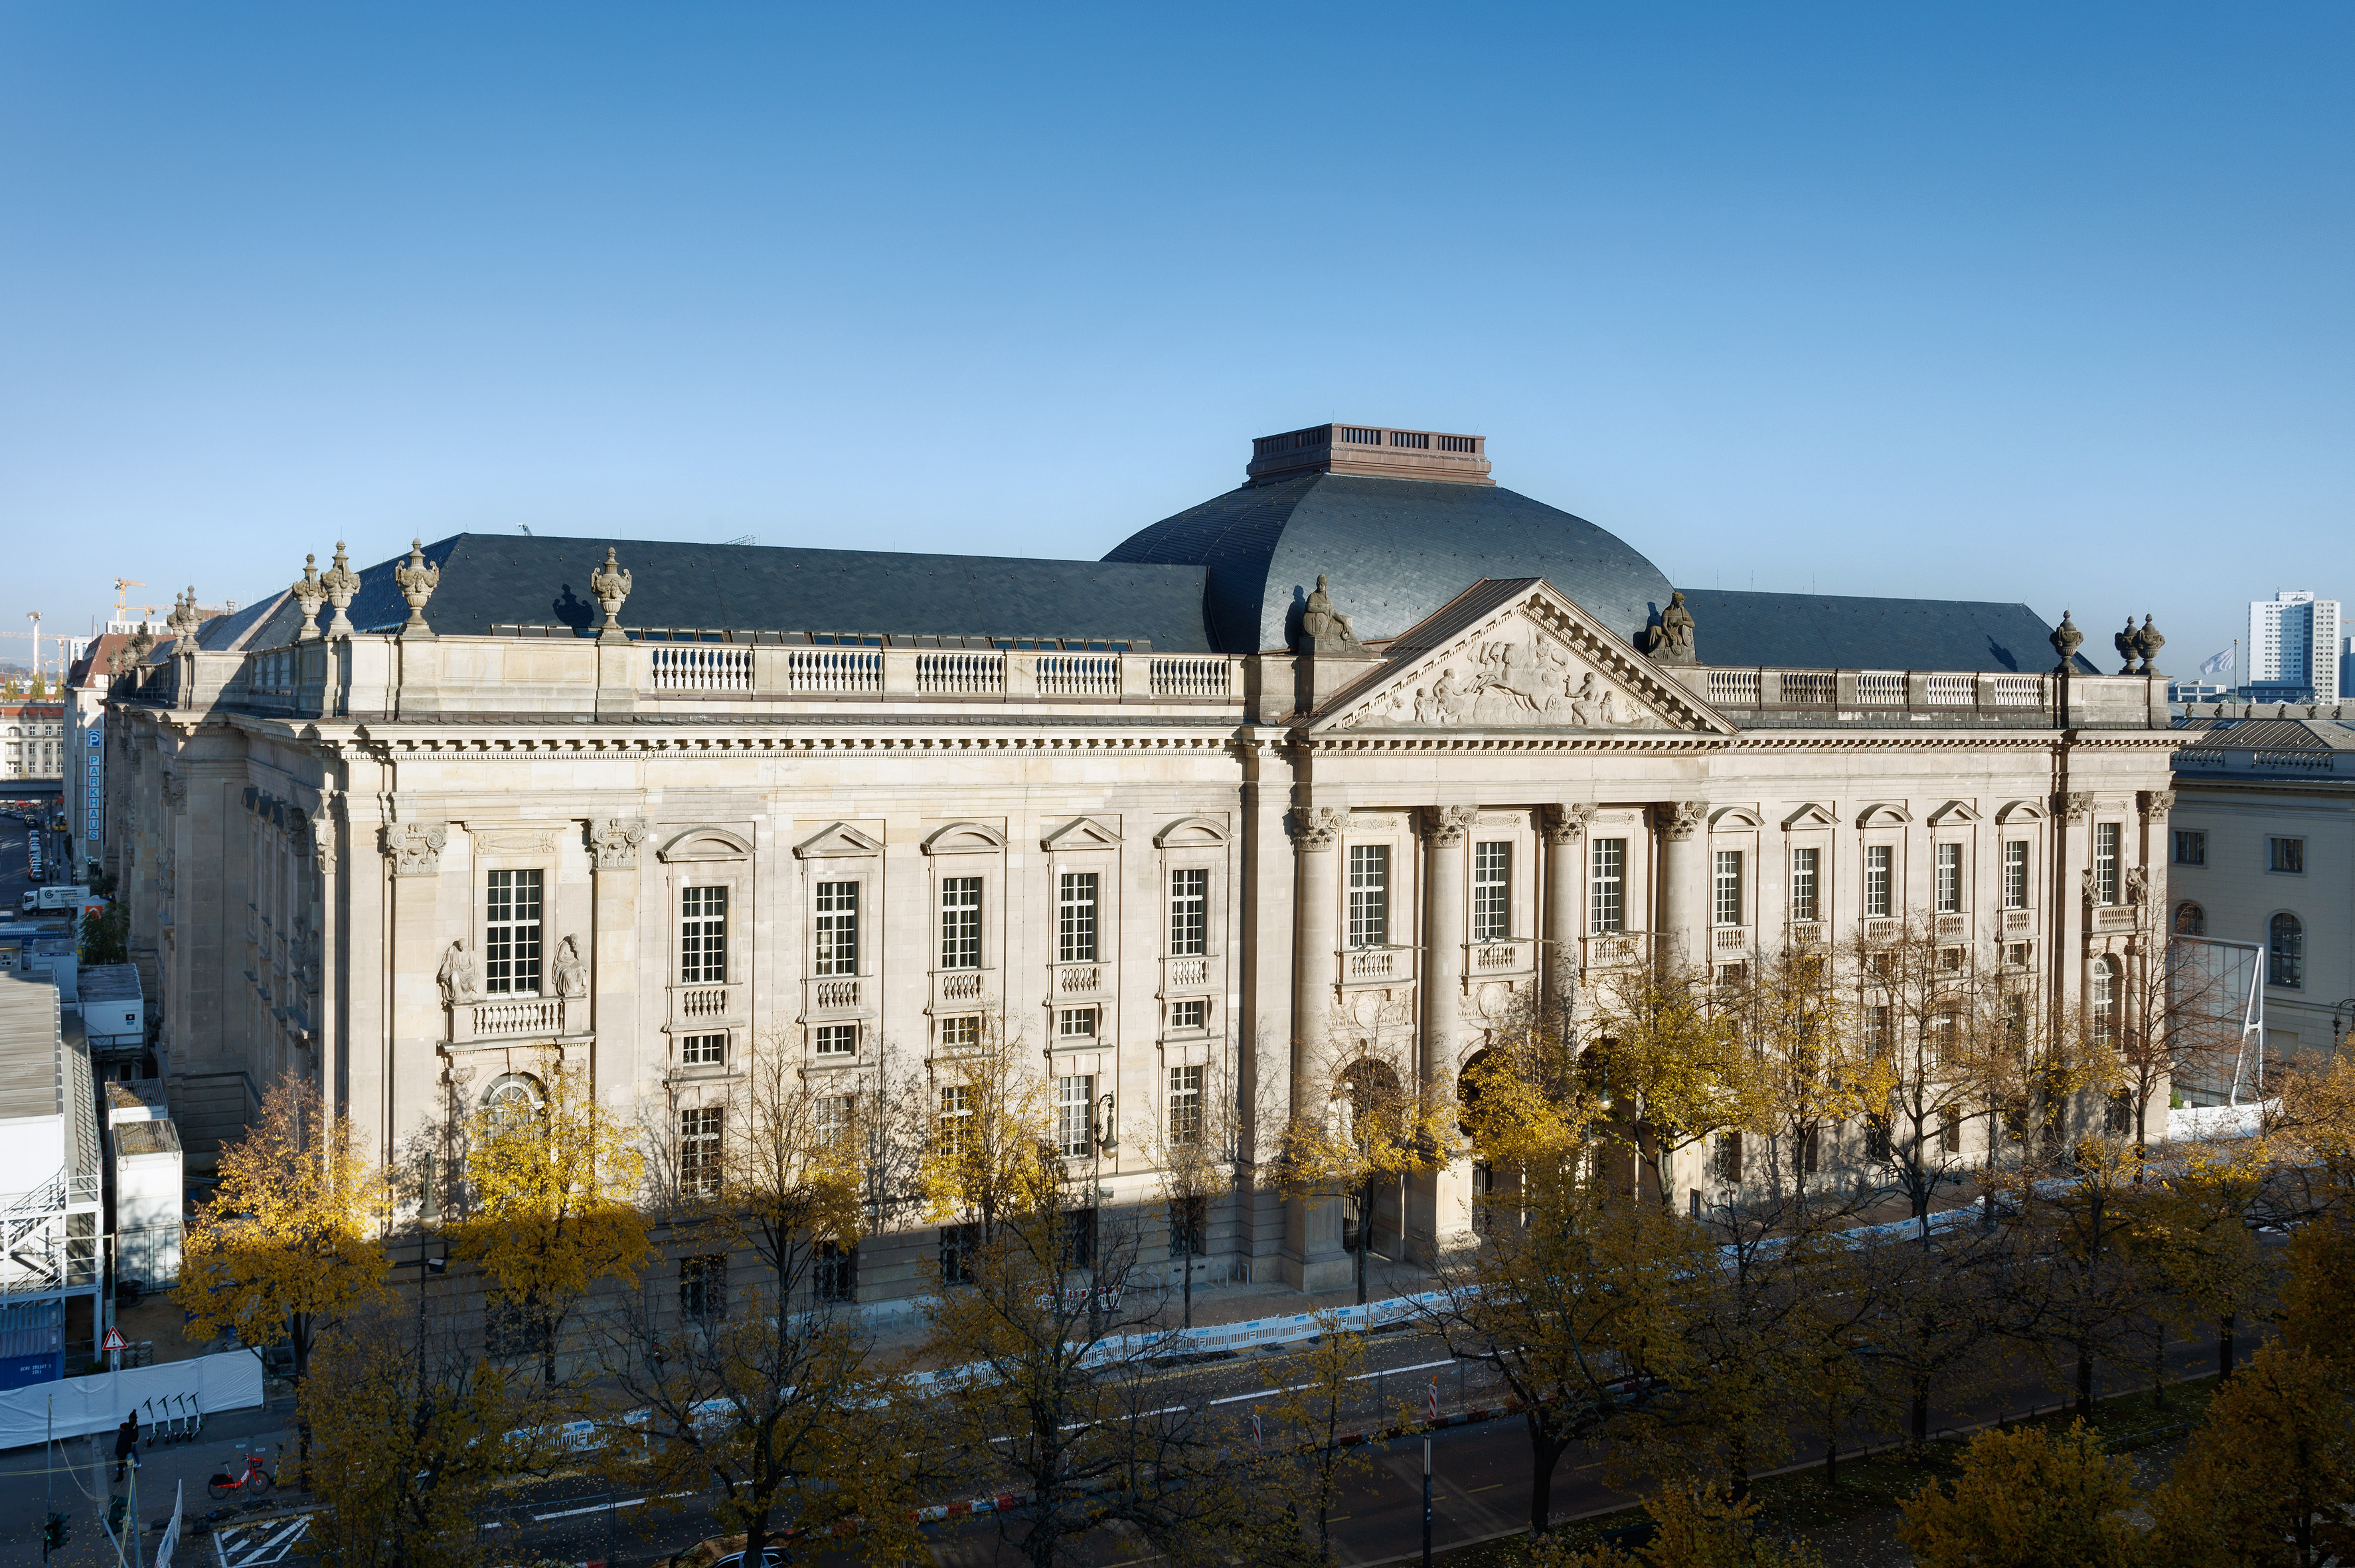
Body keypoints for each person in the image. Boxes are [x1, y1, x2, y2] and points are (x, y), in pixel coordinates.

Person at [112, 1409, 138, 1482]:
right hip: (123, 1450)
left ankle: (121, 1477)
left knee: (121, 1463)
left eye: (120, 1428)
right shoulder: (126, 1432)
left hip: (123, 1451)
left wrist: (121, 1453)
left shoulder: (126, 1435)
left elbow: (123, 1444)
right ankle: (133, 1468)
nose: (119, 1429)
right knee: (123, 1462)